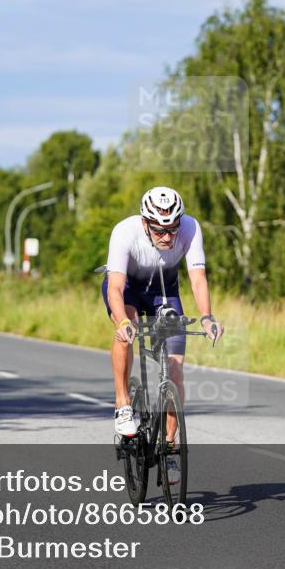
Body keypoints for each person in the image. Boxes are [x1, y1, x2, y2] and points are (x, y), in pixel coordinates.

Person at [102, 187, 223, 484]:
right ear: (145, 223)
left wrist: (207, 317)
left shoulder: (191, 228)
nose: (167, 237)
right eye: (159, 230)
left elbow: (198, 279)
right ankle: (123, 403)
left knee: (175, 369)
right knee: (126, 331)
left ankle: (169, 447)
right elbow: (115, 287)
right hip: (128, 290)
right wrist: (122, 322)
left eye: (172, 229)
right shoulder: (124, 232)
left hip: (164, 293)